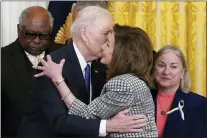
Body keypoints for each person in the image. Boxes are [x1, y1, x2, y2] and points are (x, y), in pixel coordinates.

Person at [18, 6, 148, 138]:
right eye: (106, 33)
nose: (111, 39)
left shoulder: (103, 64)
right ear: (85, 34)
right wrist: (109, 126)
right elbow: (60, 122)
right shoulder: (53, 65)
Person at [1, 6, 64, 137]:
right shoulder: (2, 58)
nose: (36, 41)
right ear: (19, 30)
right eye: (30, 34)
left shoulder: (64, 55)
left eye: (43, 35)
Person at [151, 45, 207, 138]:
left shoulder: (199, 104)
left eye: (173, 67)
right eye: (161, 65)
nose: (166, 72)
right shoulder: (142, 97)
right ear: (153, 69)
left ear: (182, 72)